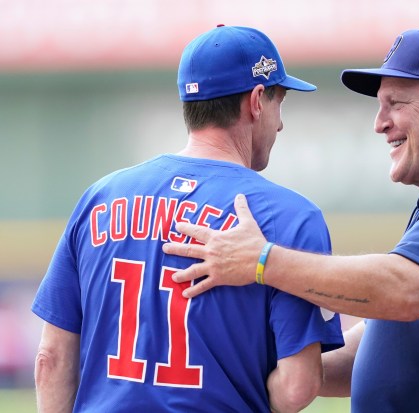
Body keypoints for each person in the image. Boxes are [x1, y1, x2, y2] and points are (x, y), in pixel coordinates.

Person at [163, 29, 419, 412]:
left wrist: (262, 261)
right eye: (380, 106)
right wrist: (282, 365)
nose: (380, 123)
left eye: (396, 104)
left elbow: (406, 291)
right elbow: (381, 344)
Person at [31, 25, 344, 413]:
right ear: (257, 100)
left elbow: (51, 359)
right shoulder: (292, 218)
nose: (280, 123)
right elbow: (298, 387)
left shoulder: (100, 197)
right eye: (280, 101)